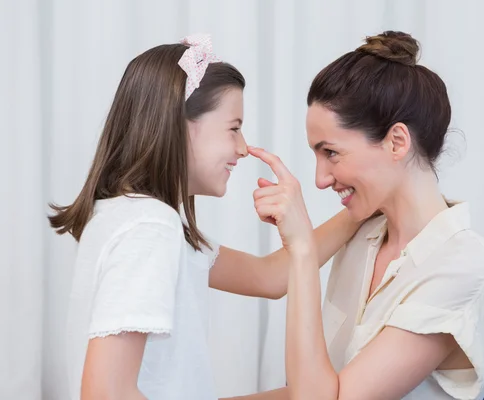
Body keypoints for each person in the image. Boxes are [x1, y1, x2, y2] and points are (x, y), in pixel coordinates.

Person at [47, 33, 361, 400]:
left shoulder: (129, 216)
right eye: (234, 128)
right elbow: (105, 393)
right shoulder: (149, 228)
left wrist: (360, 208)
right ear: (180, 125)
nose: (243, 148)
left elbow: (269, 277)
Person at [246, 31, 484, 400]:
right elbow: (270, 280)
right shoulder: (363, 230)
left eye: (332, 153)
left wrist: (304, 251)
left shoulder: (463, 267)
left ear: (397, 142)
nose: (320, 179)